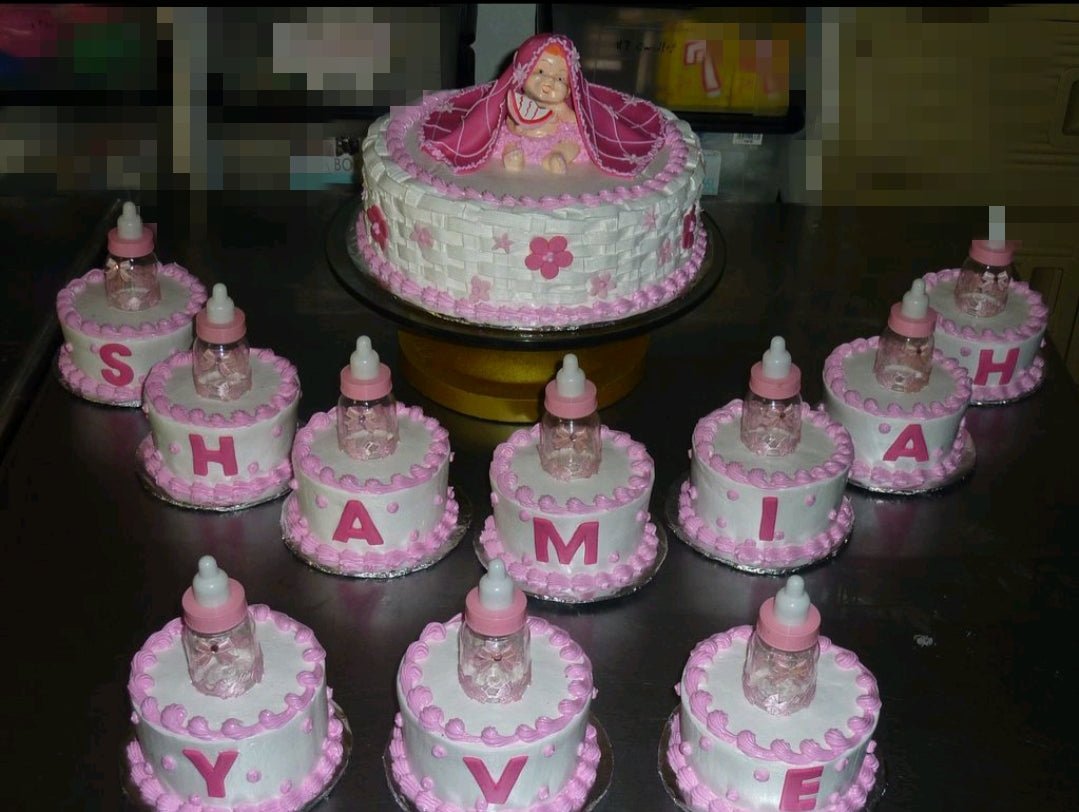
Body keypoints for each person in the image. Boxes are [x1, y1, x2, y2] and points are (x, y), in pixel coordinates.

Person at [420, 33, 666, 178]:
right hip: (523, 137)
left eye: (560, 78)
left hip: (556, 135)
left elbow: (573, 121)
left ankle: (557, 158)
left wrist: (564, 112)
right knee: (507, 142)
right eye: (540, 71)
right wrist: (517, 128)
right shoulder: (515, 101)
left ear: (571, 88)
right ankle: (512, 157)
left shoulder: (562, 107)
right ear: (521, 74)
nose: (549, 83)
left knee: (573, 144)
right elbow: (509, 121)